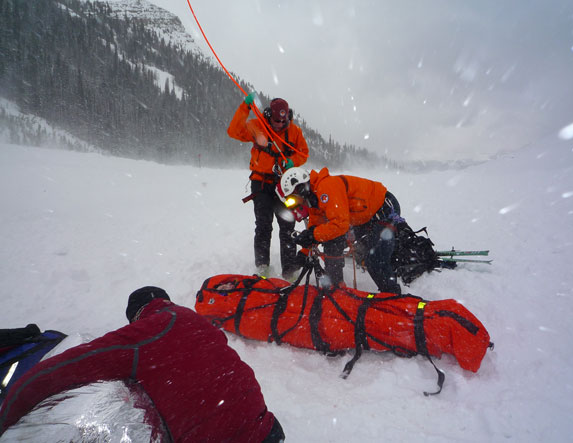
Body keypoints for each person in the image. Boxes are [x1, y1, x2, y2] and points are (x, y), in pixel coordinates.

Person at [0, 287, 285, 442]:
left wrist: (8, 412)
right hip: (268, 430)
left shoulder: (146, 333)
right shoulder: (195, 322)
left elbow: (63, 367)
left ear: (137, 315)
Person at [277, 167, 404, 293]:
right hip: (364, 218)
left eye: (291, 199)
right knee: (332, 241)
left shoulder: (327, 187)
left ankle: (393, 296)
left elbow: (340, 225)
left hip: (383, 209)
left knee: (375, 259)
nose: (294, 205)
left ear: (300, 188)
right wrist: (301, 256)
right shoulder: (314, 202)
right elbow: (316, 230)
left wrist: (313, 235)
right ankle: (336, 287)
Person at [228, 94, 309, 280]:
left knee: (287, 226)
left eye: (283, 120)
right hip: (261, 183)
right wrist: (244, 108)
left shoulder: (295, 131)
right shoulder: (256, 126)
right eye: (276, 120)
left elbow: (304, 153)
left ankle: (289, 270)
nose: (280, 124)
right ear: (268, 116)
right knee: (263, 226)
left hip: (285, 185)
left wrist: (293, 161)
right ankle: (263, 267)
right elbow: (233, 131)